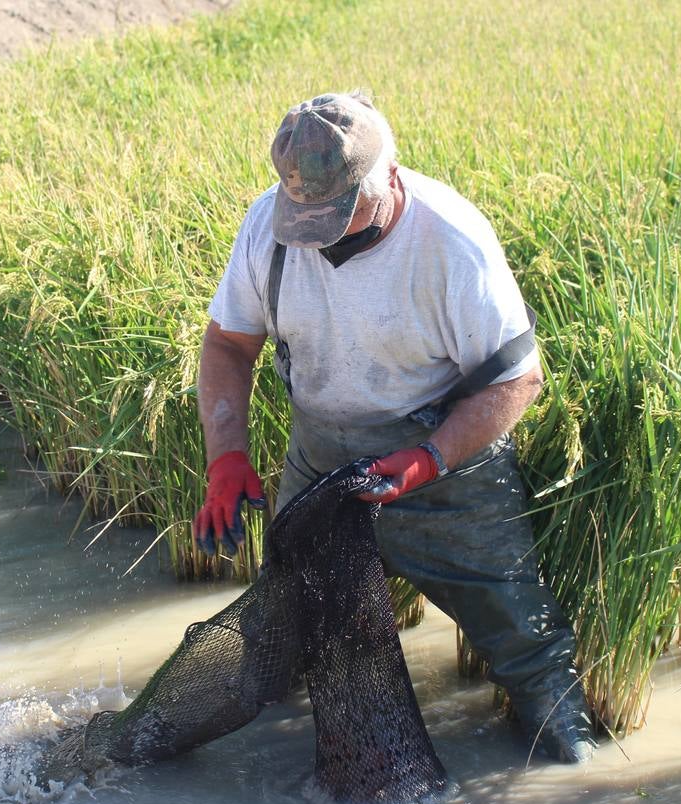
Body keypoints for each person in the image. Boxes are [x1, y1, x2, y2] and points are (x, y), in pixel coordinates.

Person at [191, 90, 596, 763]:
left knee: (520, 636)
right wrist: (225, 458)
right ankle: (278, 757)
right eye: (306, 218)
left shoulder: (451, 242)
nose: (321, 234)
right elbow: (227, 347)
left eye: (338, 215)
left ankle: (571, 766)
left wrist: (427, 459)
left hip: (447, 462)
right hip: (321, 454)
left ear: (388, 176)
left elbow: (516, 379)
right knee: (287, 622)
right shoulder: (267, 226)